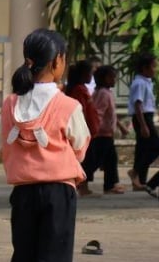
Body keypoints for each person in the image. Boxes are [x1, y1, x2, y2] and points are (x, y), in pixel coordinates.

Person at [0, 29, 89, 262]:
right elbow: (80, 145)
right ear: (58, 61)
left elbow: (2, 147)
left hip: (23, 193)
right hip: (58, 192)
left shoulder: (11, 103)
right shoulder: (67, 105)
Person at [80, 64, 128, 195]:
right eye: (112, 77)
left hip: (106, 133)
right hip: (101, 134)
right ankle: (82, 182)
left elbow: (110, 114)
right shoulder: (103, 94)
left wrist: (121, 127)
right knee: (95, 160)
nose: (114, 80)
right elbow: (99, 113)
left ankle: (110, 185)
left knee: (111, 159)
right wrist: (94, 130)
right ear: (105, 79)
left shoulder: (105, 93)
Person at [64, 60, 100, 196]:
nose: (91, 77)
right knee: (87, 159)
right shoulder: (78, 90)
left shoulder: (81, 88)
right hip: (85, 129)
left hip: (90, 129)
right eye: (90, 73)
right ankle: (82, 186)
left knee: (90, 158)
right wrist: (83, 127)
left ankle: (83, 185)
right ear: (83, 74)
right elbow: (81, 110)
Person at [127, 52, 159, 196]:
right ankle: (135, 171)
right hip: (143, 117)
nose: (155, 69)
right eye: (153, 66)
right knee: (155, 147)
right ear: (145, 68)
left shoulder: (146, 82)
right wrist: (143, 125)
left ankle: (139, 180)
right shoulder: (139, 83)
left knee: (143, 149)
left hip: (147, 116)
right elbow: (138, 104)